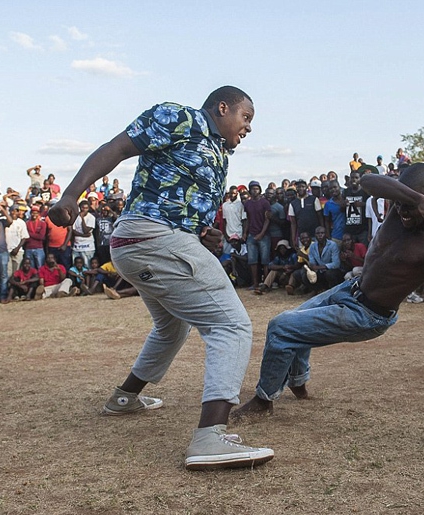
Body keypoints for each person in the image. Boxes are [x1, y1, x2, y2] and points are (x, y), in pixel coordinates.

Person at [47, 86, 273, 470]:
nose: (248, 127)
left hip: (146, 242)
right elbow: (117, 148)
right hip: (152, 236)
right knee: (231, 324)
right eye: (246, 117)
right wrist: (71, 195)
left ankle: (125, 397)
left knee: (172, 327)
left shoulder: (219, 152)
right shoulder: (180, 117)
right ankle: (210, 438)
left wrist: (207, 233)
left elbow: (184, 203)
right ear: (222, 108)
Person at [234, 163, 424, 420]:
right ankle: (298, 383)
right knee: (295, 321)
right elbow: (367, 180)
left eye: (411, 205)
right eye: (400, 201)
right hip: (349, 290)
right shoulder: (404, 209)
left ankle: (263, 401)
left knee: (281, 327)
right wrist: (418, 201)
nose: (403, 212)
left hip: (367, 314)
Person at [242, 180, 271, 289]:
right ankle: (255, 283)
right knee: (252, 260)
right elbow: (248, 220)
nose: (255, 191)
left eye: (256, 189)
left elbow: (267, 220)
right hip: (251, 235)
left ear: (260, 190)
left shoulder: (265, 203)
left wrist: (262, 233)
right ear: (249, 191)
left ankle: (266, 284)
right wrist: (245, 233)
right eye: (252, 189)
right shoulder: (248, 204)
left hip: (264, 235)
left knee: (265, 261)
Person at [72, 200, 96, 265]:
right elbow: (73, 231)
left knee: (87, 265)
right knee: (76, 264)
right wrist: (84, 235)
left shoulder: (91, 217)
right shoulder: (75, 217)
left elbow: (86, 230)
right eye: (83, 208)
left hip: (88, 247)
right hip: (77, 246)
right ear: (80, 207)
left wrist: (82, 219)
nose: (84, 210)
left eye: (86, 208)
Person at [24, 205, 47, 269]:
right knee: (30, 268)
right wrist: (35, 235)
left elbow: (41, 237)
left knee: (40, 267)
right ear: (30, 213)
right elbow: (25, 237)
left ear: (39, 214)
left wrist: (29, 234)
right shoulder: (27, 223)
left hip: (39, 248)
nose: (34, 214)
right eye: (33, 213)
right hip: (28, 248)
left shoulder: (42, 223)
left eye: (36, 213)